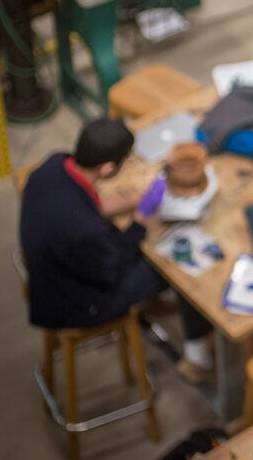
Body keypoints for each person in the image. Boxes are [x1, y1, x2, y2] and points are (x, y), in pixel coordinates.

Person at [20, 118, 214, 383]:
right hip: (77, 303)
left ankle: (153, 306)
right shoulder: (83, 231)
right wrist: (141, 220)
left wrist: (135, 201)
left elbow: (84, 202)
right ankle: (198, 358)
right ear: (109, 168)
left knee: (142, 251)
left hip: (52, 270)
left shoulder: (54, 166)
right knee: (176, 267)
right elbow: (114, 266)